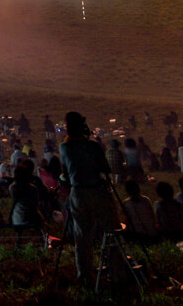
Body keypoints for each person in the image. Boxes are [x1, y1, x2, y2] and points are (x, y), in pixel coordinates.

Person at [59, 111, 116, 282]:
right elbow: (106, 169)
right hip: (97, 190)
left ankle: (85, 275)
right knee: (111, 231)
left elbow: (65, 175)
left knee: (82, 236)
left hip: (78, 192)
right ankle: (117, 270)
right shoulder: (93, 147)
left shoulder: (64, 147)